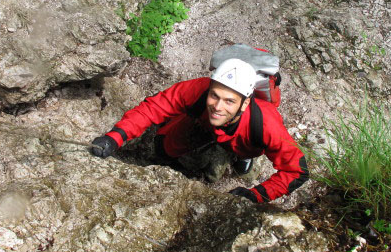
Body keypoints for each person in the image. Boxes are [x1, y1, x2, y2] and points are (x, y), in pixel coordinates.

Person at [90, 58, 309, 203]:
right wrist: (116, 136)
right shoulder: (199, 89)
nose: (218, 106)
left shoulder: (265, 125)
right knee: (164, 145)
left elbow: (297, 171)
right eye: (214, 96)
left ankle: (242, 158)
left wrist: (255, 195)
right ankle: (170, 155)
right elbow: (154, 107)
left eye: (229, 101)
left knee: (245, 154)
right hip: (203, 126)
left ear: (244, 104)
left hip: (245, 139)